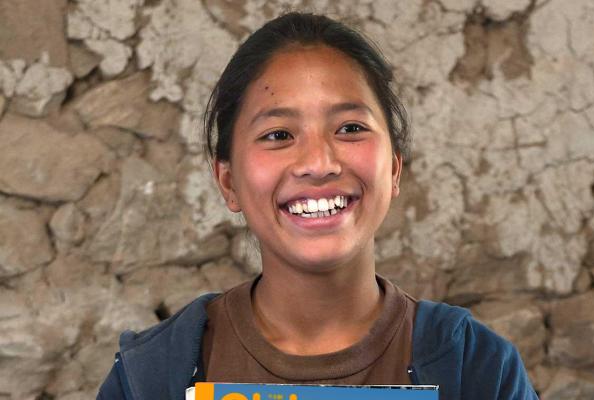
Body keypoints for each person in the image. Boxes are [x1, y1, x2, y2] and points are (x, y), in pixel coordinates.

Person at [97, 12, 538, 400]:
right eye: (278, 135)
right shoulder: (153, 376)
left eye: (349, 128)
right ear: (228, 181)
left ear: (395, 169)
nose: (318, 163)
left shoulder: (475, 368)